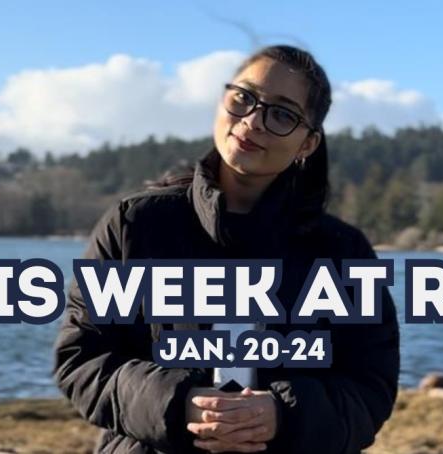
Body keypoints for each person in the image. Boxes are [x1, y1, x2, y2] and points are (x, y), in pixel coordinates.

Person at [53, 44, 400, 454]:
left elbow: (368, 389)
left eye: (283, 114)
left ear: (307, 143)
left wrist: (284, 415)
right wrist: (180, 404)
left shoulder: (342, 253)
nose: (253, 121)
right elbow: (83, 360)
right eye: (243, 98)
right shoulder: (135, 226)